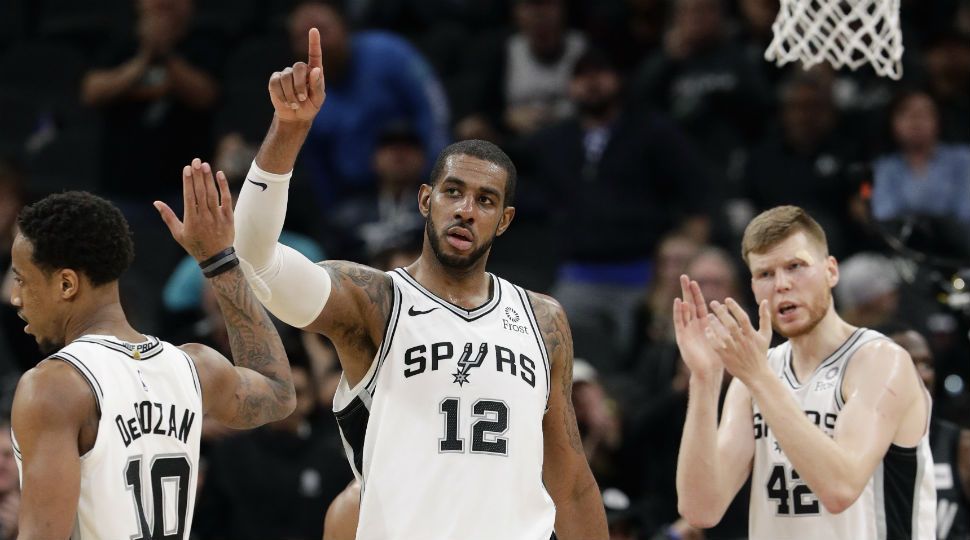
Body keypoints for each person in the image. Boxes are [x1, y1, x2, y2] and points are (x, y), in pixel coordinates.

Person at [231, 27, 608, 539]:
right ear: (426, 199)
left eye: (485, 200)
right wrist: (290, 129)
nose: (466, 210)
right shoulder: (374, 301)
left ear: (505, 220)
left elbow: (572, 484)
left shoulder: (544, 320)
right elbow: (257, 259)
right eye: (454, 191)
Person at [10, 175, 297, 537]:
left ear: (66, 284)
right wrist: (220, 262)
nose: (15, 297)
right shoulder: (195, 366)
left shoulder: (53, 388)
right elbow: (279, 392)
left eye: (22, 279)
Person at [674, 205, 935, 538]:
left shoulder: (880, 362)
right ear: (753, 287)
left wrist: (758, 378)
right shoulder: (755, 374)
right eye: (765, 274)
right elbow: (700, 509)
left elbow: (840, 489)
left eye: (795, 266)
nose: (782, 284)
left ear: (831, 271)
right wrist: (705, 379)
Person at [889, 327, 970, 540]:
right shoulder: (859, 446)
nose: (922, 374)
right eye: (907, 364)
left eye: (927, 364)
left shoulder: (960, 445)